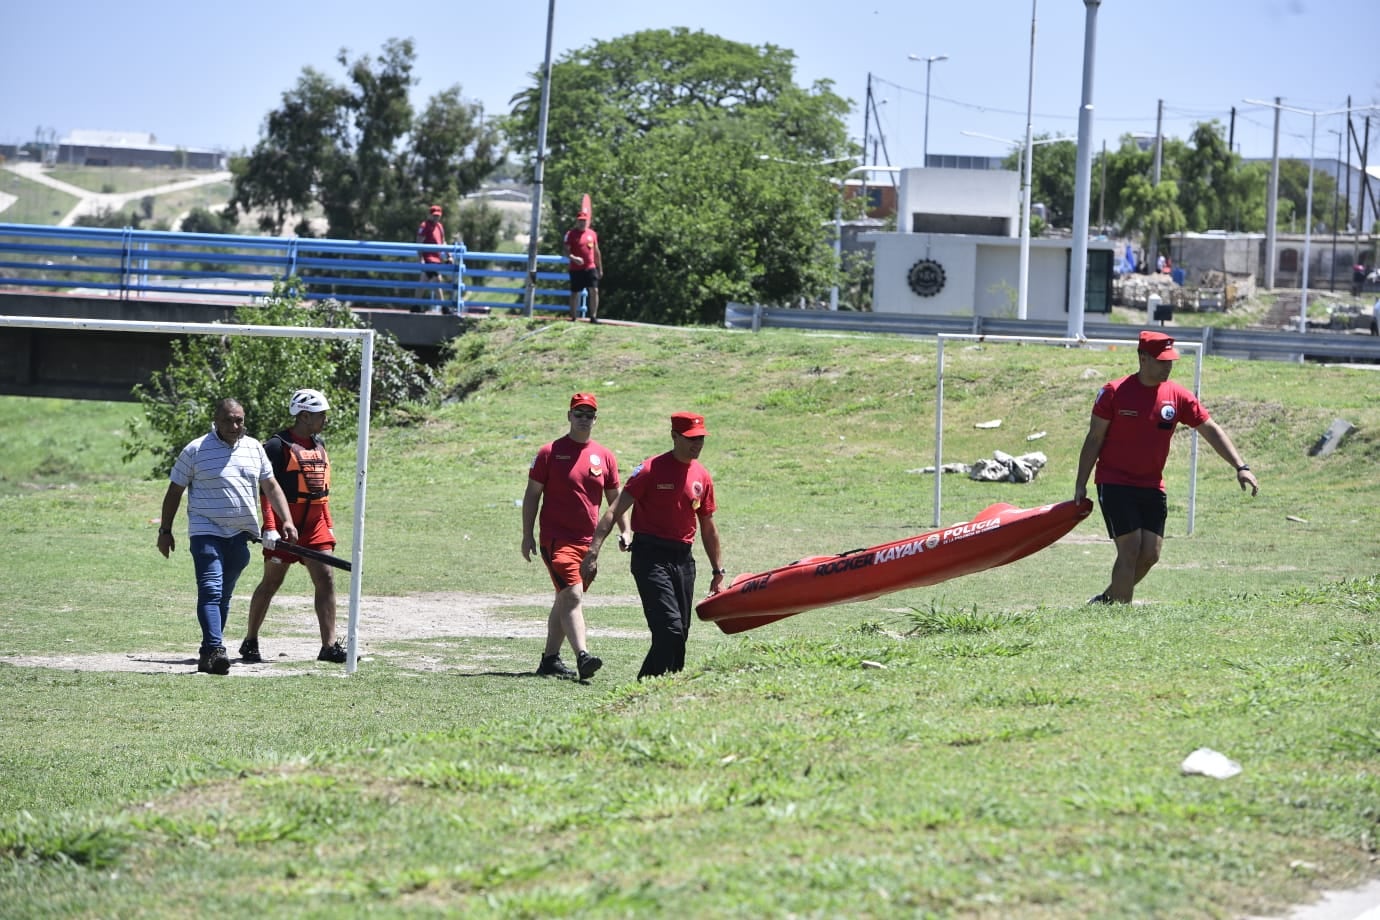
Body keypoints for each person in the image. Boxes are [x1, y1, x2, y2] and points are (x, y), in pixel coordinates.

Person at [1074, 331, 1259, 605]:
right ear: (1142, 358)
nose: (1168, 366)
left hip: (1151, 485)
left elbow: (1209, 429)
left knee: (1151, 554)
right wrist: (1081, 482)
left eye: (1170, 360)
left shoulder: (1177, 396)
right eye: (1161, 360)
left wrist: (1240, 466)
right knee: (1130, 549)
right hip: (1114, 481)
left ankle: (1107, 600)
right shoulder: (1114, 392)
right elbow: (1094, 439)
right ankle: (1117, 617)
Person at [157, 398, 298, 675]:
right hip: (205, 531)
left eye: (240, 420)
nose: (235, 426)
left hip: (241, 534)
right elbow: (174, 491)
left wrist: (287, 521)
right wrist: (165, 530)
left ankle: (208, 652)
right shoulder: (196, 450)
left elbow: (271, 486)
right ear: (216, 421)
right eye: (229, 420)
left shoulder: (254, 448)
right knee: (211, 588)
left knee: (223, 595)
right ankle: (216, 647)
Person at [582, 412, 725, 679]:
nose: (698, 444)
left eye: (701, 439)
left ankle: (669, 692)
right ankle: (643, 688)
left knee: (680, 632)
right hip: (651, 557)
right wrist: (593, 552)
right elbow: (614, 510)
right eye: (691, 439)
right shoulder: (650, 470)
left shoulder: (702, 476)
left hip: (683, 560)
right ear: (674, 436)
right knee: (669, 630)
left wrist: (718, 571)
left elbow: (707, 525)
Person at [521, 392, 629, 680]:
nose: (583, 419)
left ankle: (549, 660)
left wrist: (625, 529)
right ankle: (583, 656)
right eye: (578, 414)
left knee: (565, 599)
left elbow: (615, 498)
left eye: (589, 414)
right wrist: (527, 534)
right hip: (556, 540)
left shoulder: (604, 456)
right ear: (568, 416)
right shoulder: (549, 452)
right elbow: (532, 495)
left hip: (589, 544)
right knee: (572, 596)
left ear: (596, 418)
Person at [240, 388, 346, 665]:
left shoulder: (319, 444)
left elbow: (322, 491)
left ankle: (329, 646)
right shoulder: (276, 446)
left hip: (315, 525)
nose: (325, 419)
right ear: (304, 416)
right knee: (272, 581)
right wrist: (270, 527)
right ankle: (250, 640)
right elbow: (266, 489)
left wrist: (329, 525)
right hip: (285, 524)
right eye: (320, 415)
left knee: (327, 579)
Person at [563, 208, 602, 323]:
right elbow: (565, 250)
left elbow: (596, 251)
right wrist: (574, 258)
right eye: (580, 220)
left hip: (590, 267)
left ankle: (593, 316)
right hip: (576, 268)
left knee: (594, 290)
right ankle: (573, 317)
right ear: (577, 221)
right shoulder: (570, 234)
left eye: (584, 221)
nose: (582, 223)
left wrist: (600, 268)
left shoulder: (592, 234)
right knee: (575, 293)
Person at [416, 204, 453, 314]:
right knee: (437, 281)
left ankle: (415, 306)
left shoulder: (440, 227)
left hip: (436, 259)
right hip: (428, 259)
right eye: (434, 215)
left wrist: (449, 255)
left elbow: (443, 242)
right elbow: (419, 243)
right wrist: (421, 258)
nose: (436, 218)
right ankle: (444, 308)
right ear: (429, 215)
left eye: (438, 216)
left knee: (423, 282)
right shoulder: (424, 226)